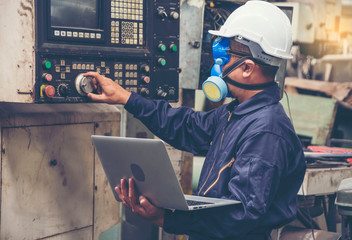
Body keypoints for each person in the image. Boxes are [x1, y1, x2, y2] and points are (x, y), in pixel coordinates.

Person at [85, 1, 306, 239]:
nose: (217, 65)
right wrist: (126, 98)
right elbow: (186, 127)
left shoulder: (266, 131)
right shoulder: (237, 112)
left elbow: (241, 214)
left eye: (225, 55)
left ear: (247, 68)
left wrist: (165, 219)